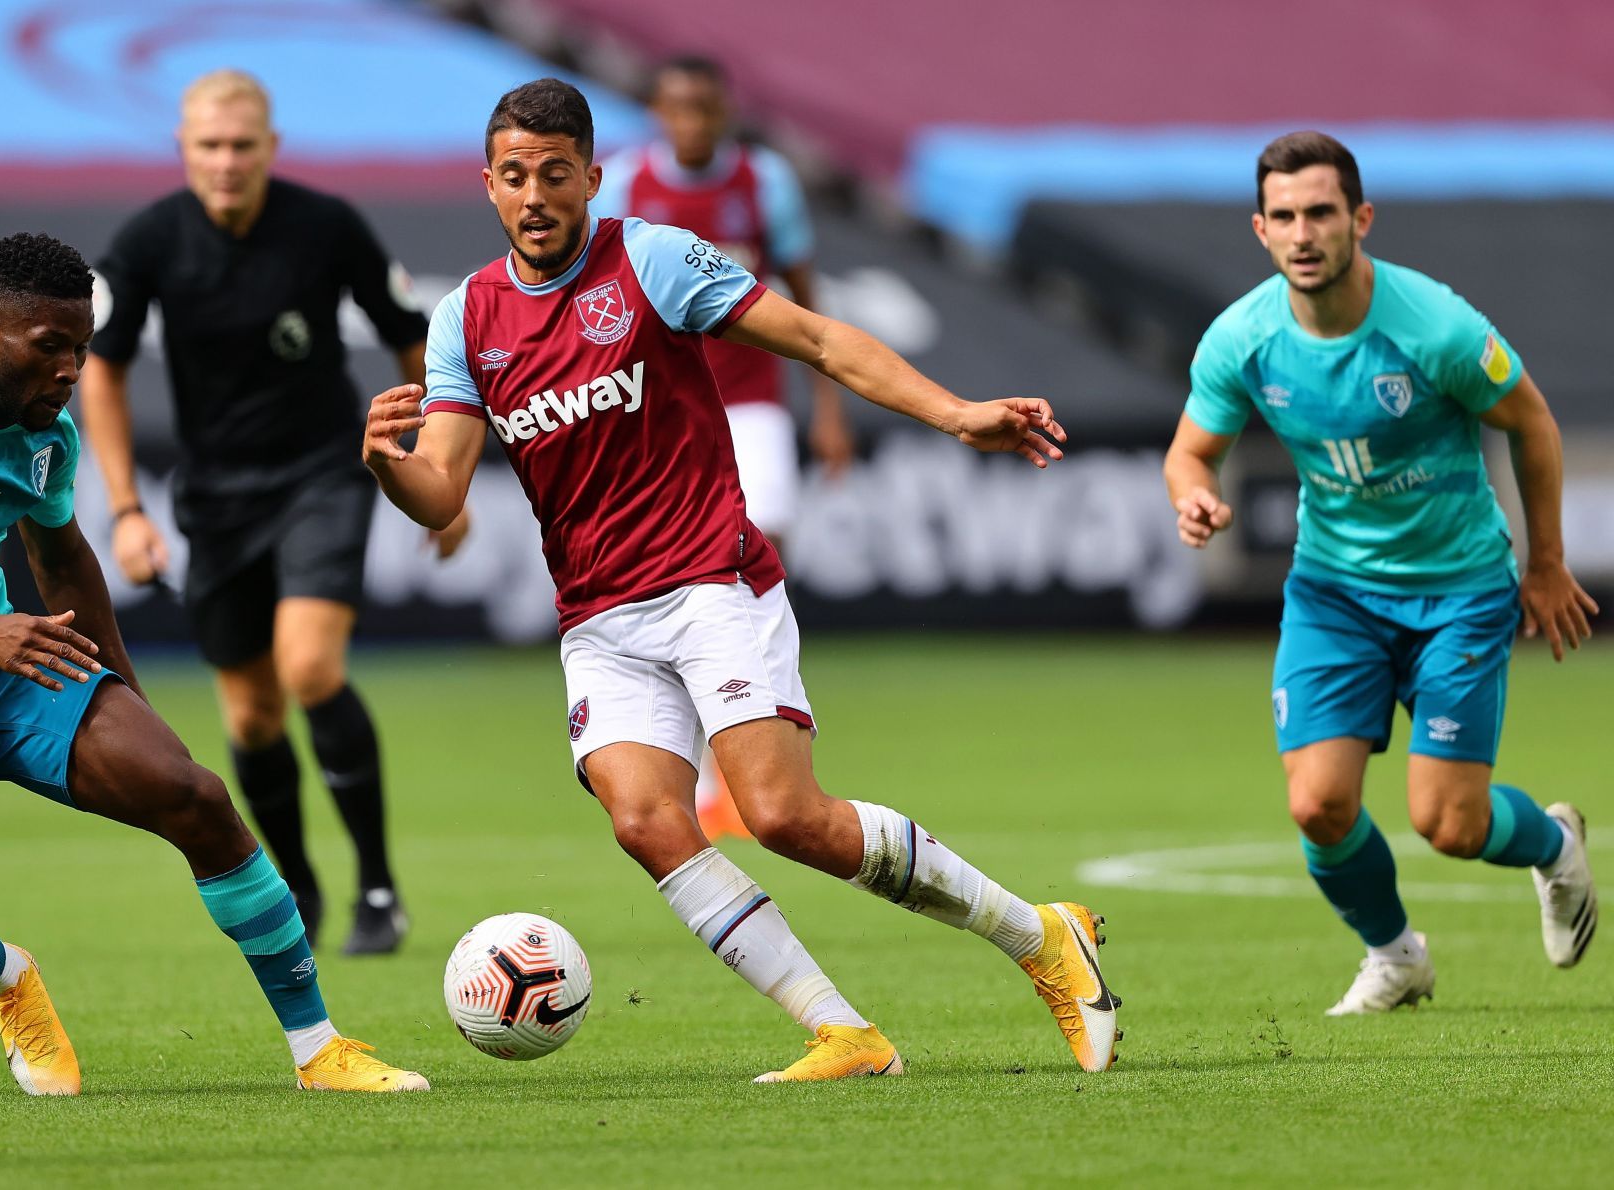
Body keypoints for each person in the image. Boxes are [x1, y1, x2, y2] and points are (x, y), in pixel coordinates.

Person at [363, 79, 1120, 1081]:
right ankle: (842, 1031)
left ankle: (1042, 937)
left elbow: (816, 336)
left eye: (555, 173)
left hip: (710, 579)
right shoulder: (467, 315)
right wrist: (388, 464)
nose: (536, 194)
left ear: (592, 174)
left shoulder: (651, 259)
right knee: (644, 818)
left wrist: (956, 413)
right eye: (515, 177)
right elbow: (442, 487)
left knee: (781, 815)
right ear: (490, 187)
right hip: (598, 616)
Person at [0, 232, 427, 1094]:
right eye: (50, 348)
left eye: (80, 349)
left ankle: (319, 1048)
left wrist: (120, 692)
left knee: (194, 794)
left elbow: (64, 560)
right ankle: (6, 977)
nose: (70, 370)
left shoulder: (47, 435)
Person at [1164, 131, 1599, 1015]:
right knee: (1319, 804)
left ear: (1360, 218)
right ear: (1260, 229)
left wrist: (1546, 564)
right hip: (1333, 591)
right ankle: (1396, 956)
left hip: (1460, 590)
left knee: (1451, 824)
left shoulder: (1434, 325)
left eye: (1321, 212)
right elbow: (1188, 452)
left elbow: (1535, 423)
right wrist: (1195, 494)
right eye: (1283, 216)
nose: (1304, 232)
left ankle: (1553, 844)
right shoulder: (1243, 338)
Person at [81, 70, 451, 956]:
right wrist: (127, 508)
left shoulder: (326, 226)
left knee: (311, 667)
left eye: (243, 145)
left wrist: (439, 457)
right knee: (249, 717)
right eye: (209, 145)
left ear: (271, 148)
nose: (226, 161)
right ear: (183, 149)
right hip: (216, 497)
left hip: (323, 472)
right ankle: (302, 888)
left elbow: (414, 334)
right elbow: (103, 367)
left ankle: (378, 887)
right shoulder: (149, 243)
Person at [592, 54, 852, 842]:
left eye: (705, 108)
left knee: (760, 553)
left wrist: (828, 409)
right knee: (689, 577)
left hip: (749, 403)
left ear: (723, 111)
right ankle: (710, 770)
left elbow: (808, 298)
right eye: (678, 108)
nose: (692, 123)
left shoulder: (763, 182)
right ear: (660, 112)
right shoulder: (632, 184)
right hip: (665, 414)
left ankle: (752, 755)